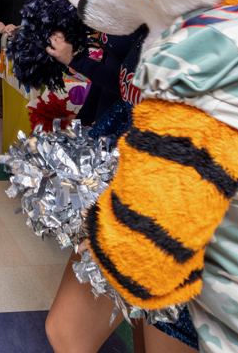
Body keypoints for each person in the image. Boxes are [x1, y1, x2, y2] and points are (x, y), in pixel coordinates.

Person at [44, 26, 197, 353]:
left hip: (177, 214)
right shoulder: (156, 18)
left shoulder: (222, 26)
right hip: (120, 191)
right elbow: (127, 96)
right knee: (67, 330)